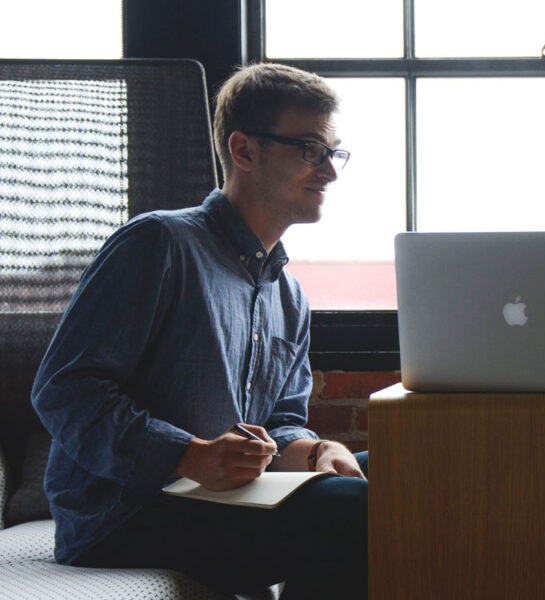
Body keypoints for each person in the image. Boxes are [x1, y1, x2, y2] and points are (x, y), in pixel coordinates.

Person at [31, 62, 368, 598]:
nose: (329, 171)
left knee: (396, 478)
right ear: (244, 151)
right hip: (127, 513)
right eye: (310, 149)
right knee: (360, 512)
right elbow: (64, 391)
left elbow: (281, 421)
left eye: (333, 152)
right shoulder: (158, 244)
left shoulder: (289, 295)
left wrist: (312, 448)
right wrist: (187, 454)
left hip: (226, 498)